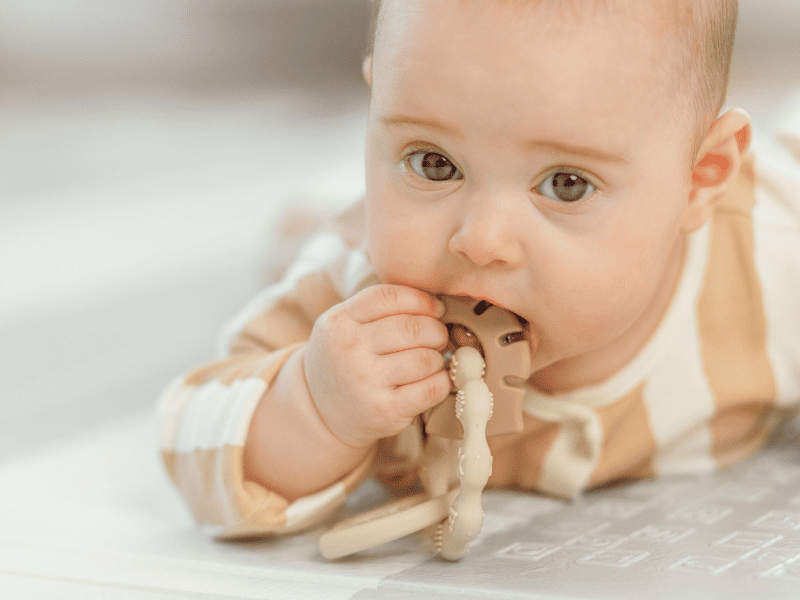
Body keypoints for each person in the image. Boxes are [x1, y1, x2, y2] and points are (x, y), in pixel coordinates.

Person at [158, 0, 800, 539]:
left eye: (567, 184)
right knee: (307, 230)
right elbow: (194, 432)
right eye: (433, 162)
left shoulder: (771, 272)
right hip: (334, 228)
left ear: (699, 179)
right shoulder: (358, 295)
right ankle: (316, 206)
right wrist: (318, 406)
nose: (480, 240)